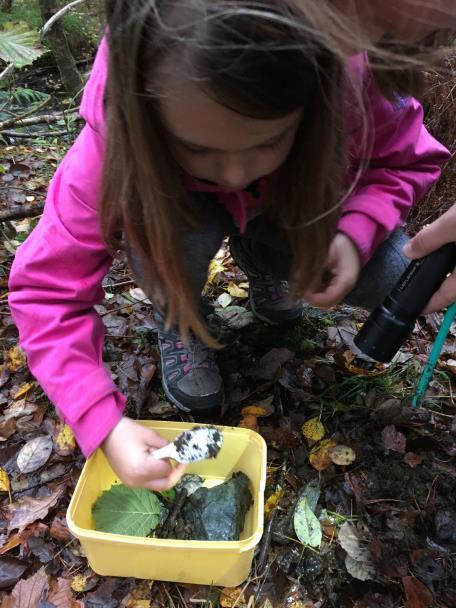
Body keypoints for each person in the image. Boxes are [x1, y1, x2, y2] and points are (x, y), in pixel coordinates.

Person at [8, 1, 450, 490]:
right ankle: (180, 314)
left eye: (269, 141)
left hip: (288, 207)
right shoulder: (112, 146)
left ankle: (264, 261)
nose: (236, 172)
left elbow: (409, 161)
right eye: (198, 147)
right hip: (180, 213)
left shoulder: (348, 83)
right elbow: (47, 291)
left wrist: (355, 230)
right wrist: (102, 422)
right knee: (170, 231)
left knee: (394, 274)